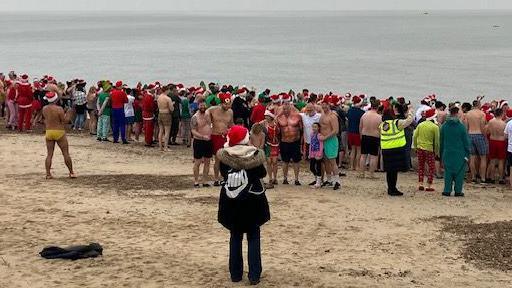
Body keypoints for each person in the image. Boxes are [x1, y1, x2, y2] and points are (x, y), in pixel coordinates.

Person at [217, 125, 270, 286]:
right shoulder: (254, 155)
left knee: (235, 237)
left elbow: (223, 173)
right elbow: (262, 173)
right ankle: (254, 275)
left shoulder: (225, 156)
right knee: (253, 237)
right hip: (252, 200)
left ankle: (235, 274)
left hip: (232, 201)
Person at [380, 102, 414, 196]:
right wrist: (410, 111)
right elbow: (409, 121)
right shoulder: (396, 123)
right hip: (396, 149)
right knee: (394, 171)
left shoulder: (382, 124)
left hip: (386, 149)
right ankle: (393, 189)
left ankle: (390, 188)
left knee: (389, 171)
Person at [42, 92, 76, 179]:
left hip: (49, 131)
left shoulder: (44, 108)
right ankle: (71, 172)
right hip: (59, 131)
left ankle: (48, 174)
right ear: (56, 99)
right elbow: (65, 121)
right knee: (65, 153)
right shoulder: (59, 109)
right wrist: (69, 113)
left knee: (49, 154)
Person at [440, 106, 470, 196]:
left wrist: (441, 154)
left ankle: (447, 190)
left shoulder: (444, 126)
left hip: (447, 152)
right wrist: (467, 153)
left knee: (448, 172)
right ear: (457, 113)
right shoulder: (461, 127)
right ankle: (458, 190)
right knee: (459, 173)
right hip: (459, 153)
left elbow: (441, 141)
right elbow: (466, 142)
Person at [207, 92, 234, 186]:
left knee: (227, 158)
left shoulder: (230, 112)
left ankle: (225, 177)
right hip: (216, 135)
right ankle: (216, 178)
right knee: (217, 159)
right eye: (226, 104)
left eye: (229, 104)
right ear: (221, 103)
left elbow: (231, 124)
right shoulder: (213, 109)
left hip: (226, 137)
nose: (227, 106)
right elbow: (205, 114)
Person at [413, 108, 440, 192]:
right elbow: (437, 141)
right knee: (431, 167)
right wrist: (436, 151)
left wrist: (415, 146)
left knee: (421, 166)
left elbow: (414, 136)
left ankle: (420, 183)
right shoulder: (435, 127)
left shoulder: (420, 125)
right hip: (429, 149)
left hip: (420, 148)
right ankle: (429, 185)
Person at [277, 99, 303, 185]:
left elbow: (302, 129)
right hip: (284, 141)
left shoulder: (297, 116)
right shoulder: (279, 118)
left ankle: (296, 179)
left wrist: (302, 142)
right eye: (284, 109)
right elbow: (276, 130)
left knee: (296, 161)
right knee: (285, 161)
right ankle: (285, 179)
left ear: (290, 108)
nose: (285, 110)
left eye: (287, 109)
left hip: (295, 141)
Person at [319, 96, 341, 190]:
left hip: (331, 140)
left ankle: (337, 181)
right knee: (325, 161)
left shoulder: (333, 116)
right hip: (323, 139)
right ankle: (329, 180)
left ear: (329, 105)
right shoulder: (322, 115)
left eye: (325, 106)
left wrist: (325, 137)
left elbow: (336, 130)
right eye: (322, 106)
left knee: (332, 161)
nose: (324, 107)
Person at [191, 100, 213, 188]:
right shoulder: (195, 117)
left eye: (204, 105)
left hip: (208, 141)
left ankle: (205, 181)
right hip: (199, 141)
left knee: (207, 162)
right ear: (198, 106)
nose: (202, 107)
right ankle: (196, 181)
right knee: (198, 162)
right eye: (201, 106)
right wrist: (202, 136)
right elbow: (193, 131)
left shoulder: (208, 115)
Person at [466, 100, 488, 183]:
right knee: (483, 158)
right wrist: (485, 137)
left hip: (470, 134)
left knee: (472, 157)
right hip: (479, 134)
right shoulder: (482, 114)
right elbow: (482, 127)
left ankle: (473, 177)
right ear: (478, 105)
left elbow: (467, 127)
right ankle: (482, 178)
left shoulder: (468, 114)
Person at [358, 99, 382, 179]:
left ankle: (361, 173)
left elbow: (360, 127)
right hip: (375, 137)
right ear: (378, 107)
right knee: (373, 156)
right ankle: (371, 174)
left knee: (363, 155)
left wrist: (361, 136)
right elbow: (381, 130)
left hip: (365, 136)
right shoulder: (379, 117)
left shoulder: (364, 115)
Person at [486, 108, 507, 184]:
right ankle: (501, 178)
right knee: (501, 161)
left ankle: (492, 178)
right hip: (501, 142)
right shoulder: (504, 123)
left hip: (492, 140)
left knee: (492, 160)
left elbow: (487, 131)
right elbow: (505, 135)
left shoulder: (491, 122)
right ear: (501, 114)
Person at [347, 95, 365, 170]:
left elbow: (348, 120)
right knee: (358, 150)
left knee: (353, 149)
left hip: (350, 132)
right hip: (357, 132)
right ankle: (357, 166)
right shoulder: (362, 112)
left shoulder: (350, 110)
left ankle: (351, 166)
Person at [262, 110, 280, 189]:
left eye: (267, 116)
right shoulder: (264, 123)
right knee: (269, 162)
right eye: (265, 116)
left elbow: (279, 132)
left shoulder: (276, 123)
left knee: (275, 162)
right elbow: (256, 126)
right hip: (268, 144)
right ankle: (270, 178)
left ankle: (275, 178)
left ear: (271, 116)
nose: (266, 117)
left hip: (275, 144)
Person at [157, 85, 174, 151]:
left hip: (160, 113)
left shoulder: (159, 97)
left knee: (161, 131)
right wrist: (172, 104)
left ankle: (160, 146)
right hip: (166, 114)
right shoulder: (168, 98)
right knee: (167, 131)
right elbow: (171, 109)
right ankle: (165, 147)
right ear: (166, 90)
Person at [309, 122, 323, 188]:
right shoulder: (311, 134)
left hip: (318, 153)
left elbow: (321, 145)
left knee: (318, 167)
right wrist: (309, 153)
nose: (314, 128)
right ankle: (316, 178)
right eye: (313, 127)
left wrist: (320, 154)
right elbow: (311, 144)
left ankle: (318, 182)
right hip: (312, 153)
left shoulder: (319, 135)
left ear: (318, 128)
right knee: (311, 167)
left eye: (315, 127)